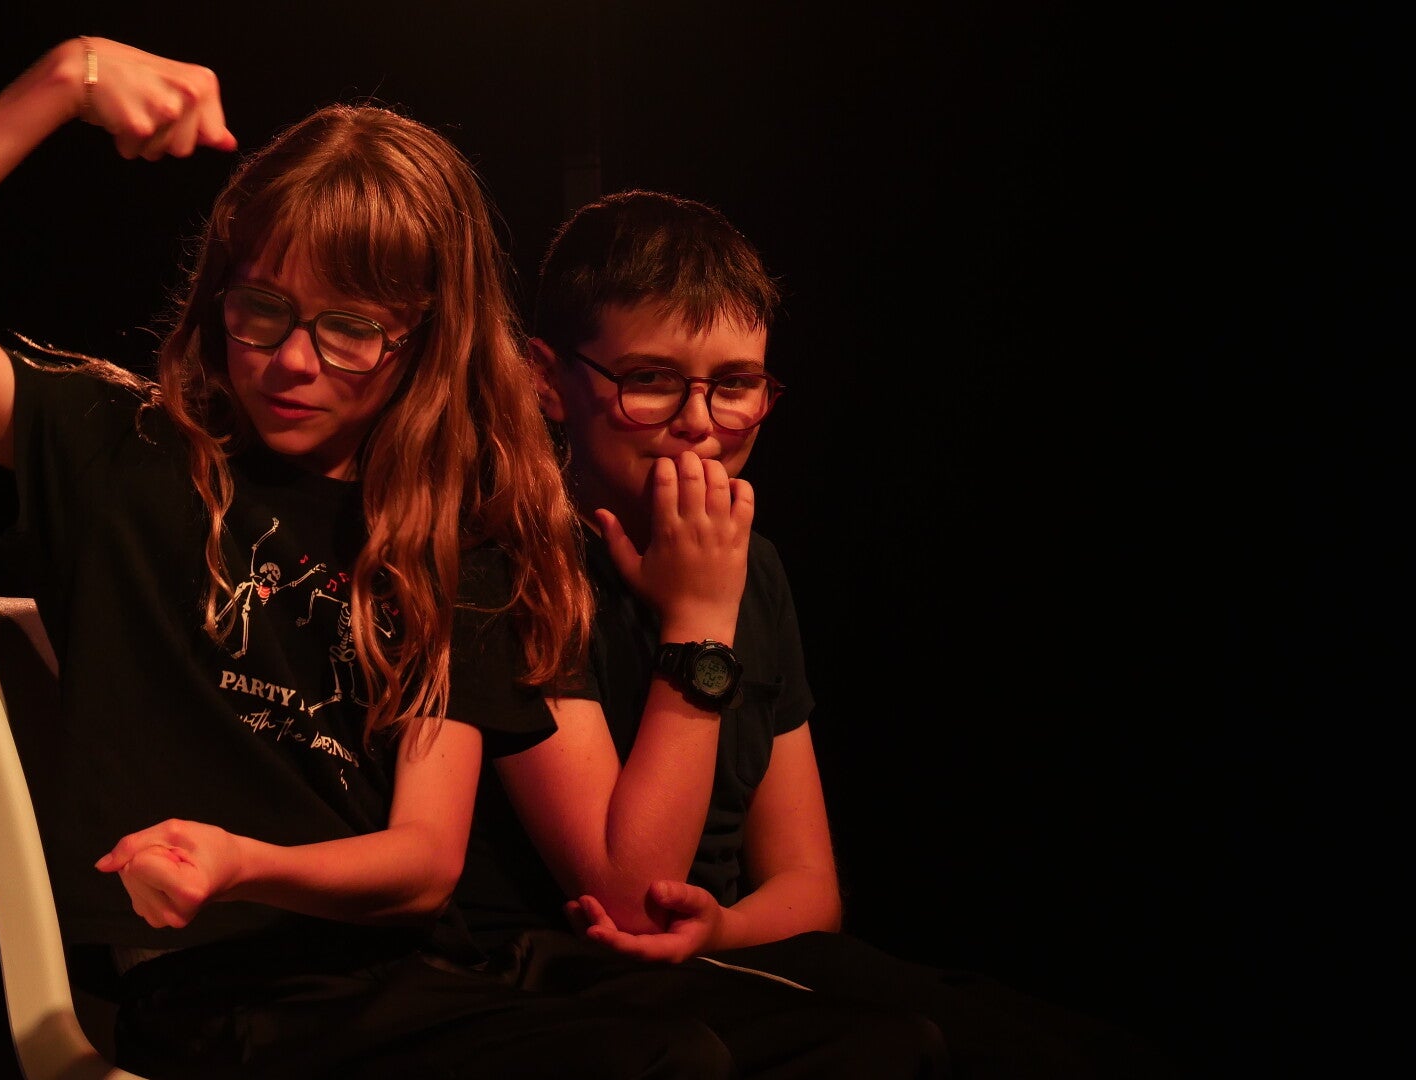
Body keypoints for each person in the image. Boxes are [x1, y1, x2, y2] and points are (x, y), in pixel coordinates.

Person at [0, 35, 946, 1080]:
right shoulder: (127, 452)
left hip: (407, 972)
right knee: (658, 1063)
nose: (292, 361)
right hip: (221, 991)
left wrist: (251, 860)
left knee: (871, 1045)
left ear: (421, 341)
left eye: (349, 329)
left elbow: (423, 863)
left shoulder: (445, 535)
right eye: (262, 310)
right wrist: (61, 82)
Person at [456, 188, 1188, 1079]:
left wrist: (723, 927)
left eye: (734, 386)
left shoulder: (752, 566)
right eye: (650, 380)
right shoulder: (511, 564)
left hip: (731, 955)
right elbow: (628, 898)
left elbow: (808, 888)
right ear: (547, 380)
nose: (700, 422)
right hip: (571, 980)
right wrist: (699, 618)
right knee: (889, 1050)